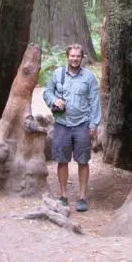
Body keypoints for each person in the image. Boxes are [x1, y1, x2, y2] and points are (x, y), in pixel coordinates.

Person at [43, 43, 101, 212]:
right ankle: (63, 196)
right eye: (72, 56)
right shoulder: (58, 75)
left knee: (83, 160)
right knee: (62, 160)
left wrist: (93, 124)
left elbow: (94, 102)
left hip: (82, 124)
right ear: (67, 56)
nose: (75, 59)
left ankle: (82, 197)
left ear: (82, 58)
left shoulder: (89, 78)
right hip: (62, 124)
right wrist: (54, 101)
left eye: (78, 56)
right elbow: (47, 92)